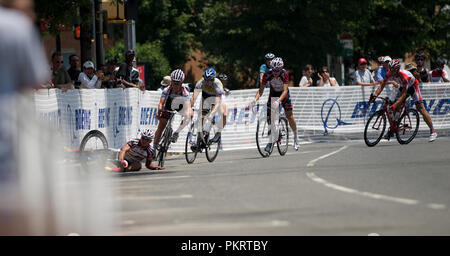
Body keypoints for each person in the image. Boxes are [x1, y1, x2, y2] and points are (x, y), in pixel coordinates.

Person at [369, 59, 437, 142]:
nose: (391, 72)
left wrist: (396, 104)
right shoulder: (389, 73)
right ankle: (393, 128)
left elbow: (404, 94)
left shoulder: (404, 76)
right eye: (390, 69)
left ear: (397, 69)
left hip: (412, 87)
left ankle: (432, 131)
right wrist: (375, 95)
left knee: (421, 108)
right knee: (392, 104)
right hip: (402, 87)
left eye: (393, 70)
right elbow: (382, 85)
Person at [251, 57, 300, 151]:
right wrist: (255, 100)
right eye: (273, 69)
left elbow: (285, 90)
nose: (275, 72)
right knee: (273, 119)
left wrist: (279, 101)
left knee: (289, 116)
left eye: (277, 70)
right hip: (273, 94)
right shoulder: (267, 74)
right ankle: (271, 142)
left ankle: (295, 137)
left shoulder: (284, 74)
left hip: (284, 94)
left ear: (281, 68)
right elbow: (260, 91)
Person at [153, 69, 192, 149]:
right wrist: (159, 111)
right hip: (169, 104)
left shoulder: (185, 92)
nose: (175, 85)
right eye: (174, 83)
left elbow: (187, 106)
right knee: (161, 126)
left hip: (181, 105)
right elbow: (161, 103)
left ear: (181, 83)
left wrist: (187, 114)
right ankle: (154, 147)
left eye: (178, 84)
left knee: (190, 115)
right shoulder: (167, 89)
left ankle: (176, 133)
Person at [191, 68, 227, 144]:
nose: (207, 82)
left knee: (224, 114)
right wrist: (189, 108)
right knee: (203, 115)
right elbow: (193, 98)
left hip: (217, 96)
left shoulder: (217, 85)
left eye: (209, 80)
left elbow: (217, 103)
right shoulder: (200, 83)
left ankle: (218, 134)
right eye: (205, 79)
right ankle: (199, 138)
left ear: (213, 79)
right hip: (206, 95)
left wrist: (211, 114)